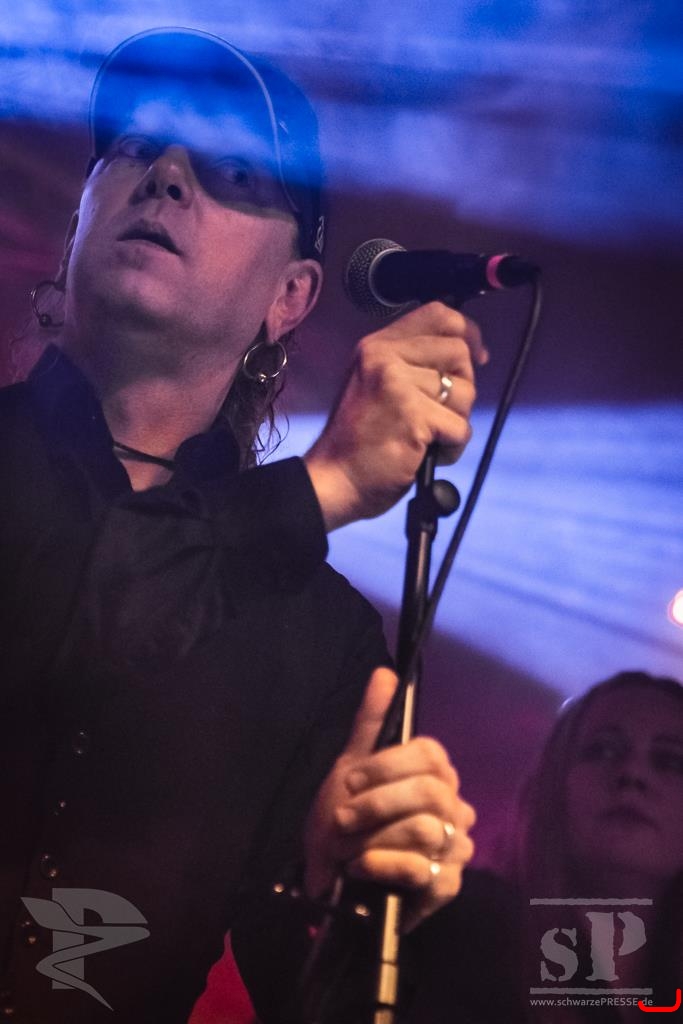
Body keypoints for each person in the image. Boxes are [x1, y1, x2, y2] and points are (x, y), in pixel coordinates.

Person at [0, 28, 487, 1023]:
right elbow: (59, 614)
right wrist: (323, 484)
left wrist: (347, 909)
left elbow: (307, 995)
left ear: (289, 296)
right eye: (134, 147)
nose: (166, 173)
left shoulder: (323, 639)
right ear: (80, 217)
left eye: (230, 171)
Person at [508, 671, 683, 1022]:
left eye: (669, 760)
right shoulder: (465, 933)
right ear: (554, 782)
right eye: (603, 750)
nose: (633, 773)